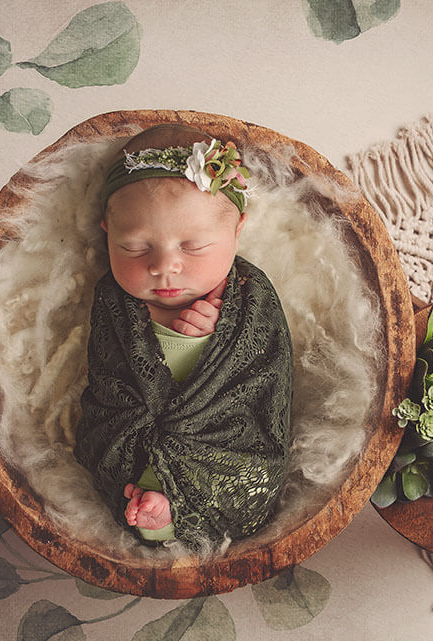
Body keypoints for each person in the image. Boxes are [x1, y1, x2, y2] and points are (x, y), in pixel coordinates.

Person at [74, 124, 293, 549]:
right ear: (107, 233)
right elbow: (109, 381)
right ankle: (155, 511)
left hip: (223, 444)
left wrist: (212, 341)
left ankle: (164, 509)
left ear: (237, 231)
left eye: (192, 247)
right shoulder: (114, 302)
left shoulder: (248, 298)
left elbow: (263, 381)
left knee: (246, 470)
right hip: (133, 444)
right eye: (135, 248)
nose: (164, 267)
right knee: (122, 455)